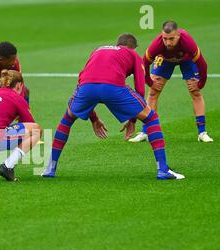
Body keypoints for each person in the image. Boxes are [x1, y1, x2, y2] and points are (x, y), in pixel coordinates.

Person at [42, 33, 185, 180]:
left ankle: (50, 169)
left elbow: (84, 78)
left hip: (86, 87)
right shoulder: (132, 54)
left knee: (67, 118)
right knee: (151, 118)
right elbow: (140, 89)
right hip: (113, 87)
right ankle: (162, 169)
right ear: (133, 48)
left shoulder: (98, 50)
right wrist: (134, 118)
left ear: (118, 44)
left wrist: (94, 118)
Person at [130, 21, 211, 143]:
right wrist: (150, 82)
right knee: (153, 93)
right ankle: (145, 132)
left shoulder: (187, 41)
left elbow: (202, 64)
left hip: (187, 60)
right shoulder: (157, 44)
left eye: (171, 39)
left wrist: (200, 84)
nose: (168, 42)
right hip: (165, 59)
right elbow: (144, 64)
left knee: (196, 93)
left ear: (178, 35)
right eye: (165, 39)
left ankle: (202, 133)